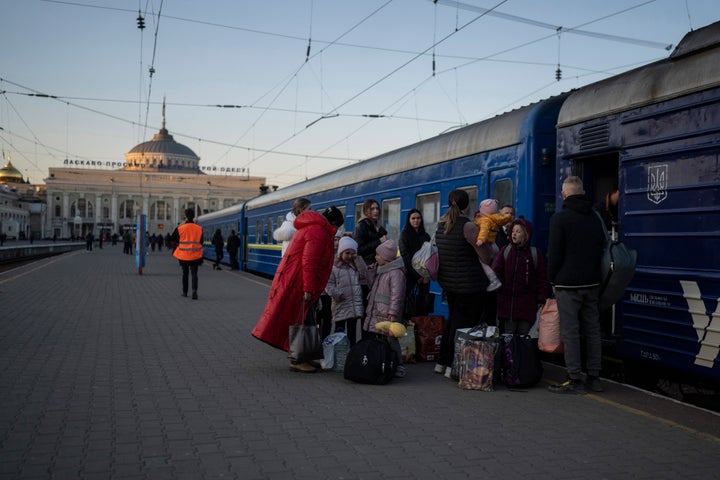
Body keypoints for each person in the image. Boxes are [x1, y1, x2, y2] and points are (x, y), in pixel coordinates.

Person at [252, 206, 345, 373]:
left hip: (296, 280)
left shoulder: (314, 228)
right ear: (334, 223)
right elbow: (309, 262)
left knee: (307, 319)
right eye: (338, 226)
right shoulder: (317, 232)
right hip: (299, 283)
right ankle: (297, 360)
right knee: (301, 320)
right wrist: (309, 288)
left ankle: (307, 356)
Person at [547, 176, 607, 394]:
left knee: (571, 332)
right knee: (592, 330)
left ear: (564, 194)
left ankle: (574, 379)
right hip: (592, 282)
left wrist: (552, 279)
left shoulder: (560, 219)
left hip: (567, 284)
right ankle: (595, 377)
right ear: (581, 193)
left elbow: (554, 254)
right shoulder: (595, 217)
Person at [434, 189, 493, 378]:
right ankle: (454, 365)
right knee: (463, 326)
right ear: (467, 206)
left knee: (452, 322)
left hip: (449, 283)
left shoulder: (441, 224)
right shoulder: (467, 226)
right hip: (469, 284)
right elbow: (485, 254)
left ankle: (442, 362)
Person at [491, 219, 549, 335]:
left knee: (524, 337)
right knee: (509, 338)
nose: (514, 234)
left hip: (527, 307)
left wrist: (542, 299)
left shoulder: (534, 253)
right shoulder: (505, 251)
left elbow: (542, 278)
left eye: (518, 231)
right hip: (507, 307)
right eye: (513, 231)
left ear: (526, 235)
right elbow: (496, 272)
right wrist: (501, 288)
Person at [363, 239, 407, 377]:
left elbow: (397, 295)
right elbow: (373, 287)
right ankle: (383, 361)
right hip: (378, 312)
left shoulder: (395, 273)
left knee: (391, 340)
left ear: (386, 258)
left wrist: (393, 312)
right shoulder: (382, 270)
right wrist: (371, 273)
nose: (376, 257)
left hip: (387, 313)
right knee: (381, 339)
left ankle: (398, 365)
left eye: (378, 255)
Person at [325, 236, 367, 346]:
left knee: (352, 332)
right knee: (339, 331)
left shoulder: (355, 265)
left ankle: (351, 352)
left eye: (352, 253)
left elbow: (364, 275)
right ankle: (337, 352)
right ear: (340, 253)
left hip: (353, 305)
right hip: (341, 304)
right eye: (347, 253)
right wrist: (338, 294)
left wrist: (358, 259)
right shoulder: (334, 267)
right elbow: (328, 284)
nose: (349, 256)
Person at [398, 208, 431, 317]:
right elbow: (405, 257)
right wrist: (417, 276)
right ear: (409, 220)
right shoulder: (404, 236)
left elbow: (429, 257)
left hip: (424, 277)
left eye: (418, 218)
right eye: (413, 218)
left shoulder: (426, 236)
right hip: (410, 277)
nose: (416, 221)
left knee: (423, 306)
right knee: (409, 305)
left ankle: (422, 331)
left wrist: (427, 275)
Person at [474, 198, 512, 292]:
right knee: (495, 259)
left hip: (488, 244)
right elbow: (504, 218)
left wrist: (480, 240)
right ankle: (496, 275)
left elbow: (484, 231)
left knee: (482, 261)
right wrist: (508, 215)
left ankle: (493, 279)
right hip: (494, 244)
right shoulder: (496, 218)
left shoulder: (485, 220)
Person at [172, 208, 204, 300]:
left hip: (183, 256)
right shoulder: (199, 228)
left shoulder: (180, 228)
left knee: (185, 273)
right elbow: (201, 241)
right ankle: (194, 291)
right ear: (193, 216)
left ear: (185, 216)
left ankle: (185, 292)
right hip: (195, 255)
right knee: (194, 274)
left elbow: (173, 238)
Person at [354, 198, 387, 267]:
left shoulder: (376, 224)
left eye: (377, 208)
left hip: (379, 263)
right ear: (366, 211)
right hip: (369, 264)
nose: (376, 211)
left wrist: (380, 227)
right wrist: (379, 241)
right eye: (372, 209)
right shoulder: (362, 225)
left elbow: (385, 237)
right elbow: (359, 249)